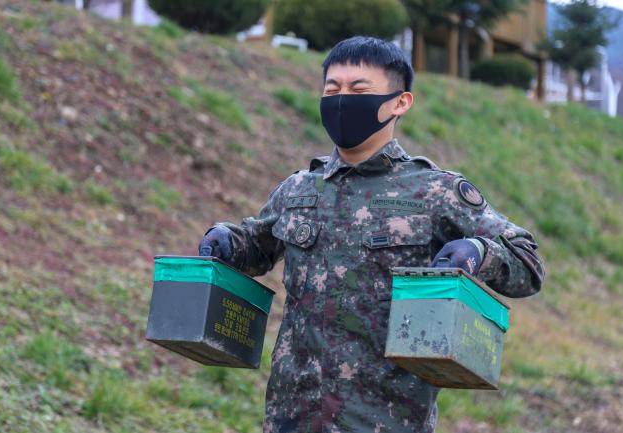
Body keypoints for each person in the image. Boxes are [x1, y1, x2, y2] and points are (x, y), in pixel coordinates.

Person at [199, 36, 544, 433]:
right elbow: (256, 248)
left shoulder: (434, 191)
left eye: (358, 89)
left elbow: (528, 262)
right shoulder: (298, 190)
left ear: (400, 102)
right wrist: (226, 241)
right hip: (292, 416)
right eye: (333, 89)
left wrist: (479, 252)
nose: (342, 99)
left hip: (386, 419)